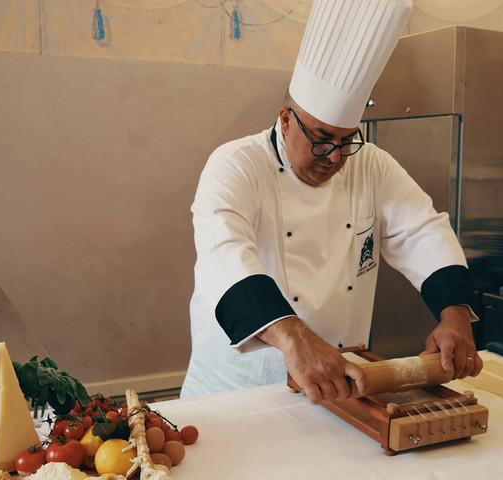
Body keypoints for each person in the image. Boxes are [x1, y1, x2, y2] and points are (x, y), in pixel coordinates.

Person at [181, 0, 483, 404]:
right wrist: (294, 338)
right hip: (241, 387)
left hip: (337, 383)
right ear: (286, 119)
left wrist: (455, 314)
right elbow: (225, 257)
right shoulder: (236, 165)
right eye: (321, 139)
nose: (335, 157)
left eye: (347, 140)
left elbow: (422, 232)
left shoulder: (373, 164)